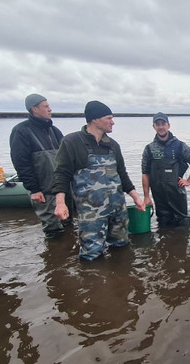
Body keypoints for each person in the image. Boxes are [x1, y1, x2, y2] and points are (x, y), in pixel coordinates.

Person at [52, 101, 145, 261]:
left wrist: (136, 197)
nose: (112, 122)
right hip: (91, 213)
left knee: (122, 248)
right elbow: (61, 174)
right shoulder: (72, 142)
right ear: (95, 119)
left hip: (118, 209)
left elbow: (122, 174)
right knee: (91, 255)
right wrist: (60, 203)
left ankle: (123, 281)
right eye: (109, 118)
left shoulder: (112, 145)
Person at [9, 93, 69, 238]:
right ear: (34, 109)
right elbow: (21, 162)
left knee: (68, 225)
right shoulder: (21, 131)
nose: (50, 109)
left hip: (61, 190)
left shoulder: (54, 131)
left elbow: (67, 158)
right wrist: (34, 189)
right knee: (53, 229)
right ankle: (54, 257)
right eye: (46, 106)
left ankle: (66, 256)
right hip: (43, 191)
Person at [141, 112, 190, 227]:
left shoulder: (180, 146)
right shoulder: (149, 148)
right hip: (159, 195)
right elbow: (145, 173)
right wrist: (146, 196)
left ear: (168, 125)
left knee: (183, 225)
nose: (161, 127)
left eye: (163, 124)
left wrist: (188, 181)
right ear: (154, 127)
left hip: (177, 194)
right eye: (157, 124)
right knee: (163, 224)